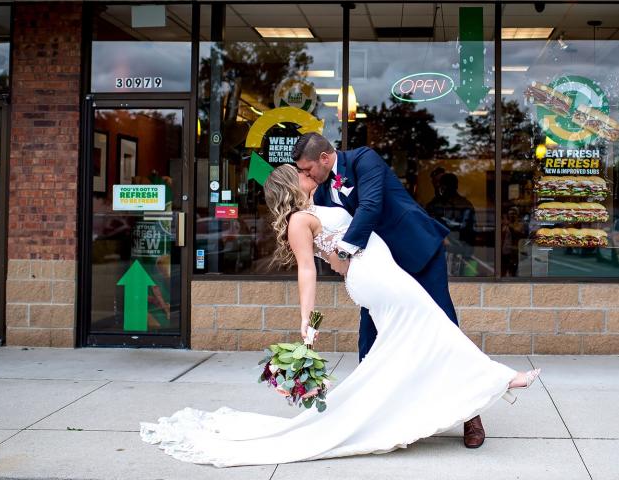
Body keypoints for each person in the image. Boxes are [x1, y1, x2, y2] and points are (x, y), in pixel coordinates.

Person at [140, 164, 540, 467]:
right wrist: (307, 325)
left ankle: (403, 409)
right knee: (434, 327)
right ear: (290, 186)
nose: (305, 173)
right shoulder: (299, 220)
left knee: (417, 339)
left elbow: (339, 263)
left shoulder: (320, 206)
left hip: (376, 275)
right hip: (379, 280)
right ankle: (504, 378)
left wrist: (350, 260)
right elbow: (307, 271)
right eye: (297, 173)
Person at [292, 133, 485, 447]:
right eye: (301, 172)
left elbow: (370, 206)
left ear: (325, 158)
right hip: (377, 270)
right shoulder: (323, 190)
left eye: (308, 169)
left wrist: (342, 254)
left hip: (416, 252)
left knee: (444, 327)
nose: (306, 175)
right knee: (370, 337)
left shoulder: (364, 159)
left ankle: (471, 414)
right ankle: (370, 416)